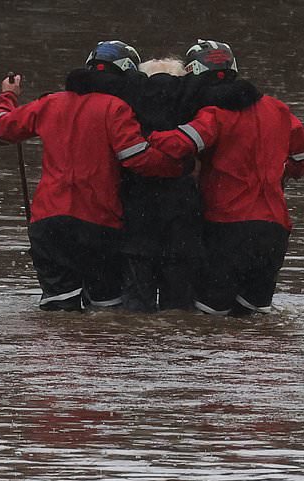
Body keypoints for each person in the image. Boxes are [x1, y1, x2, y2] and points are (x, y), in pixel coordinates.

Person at [0, 40, 187, 311]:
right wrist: (177, 167)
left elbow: (0, 131)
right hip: (98, 222)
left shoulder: (49, 103)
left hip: (48, 223)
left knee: (59, 310)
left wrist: (8, 96)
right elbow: (136, 158)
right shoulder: (115, 108)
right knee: (106, 310)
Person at [149, 39, 304, 316]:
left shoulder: (215, 114)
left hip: (228, 227)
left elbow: (177, 144)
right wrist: (284, 176)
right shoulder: (277, 109)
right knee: (254, 317)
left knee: (210, 318)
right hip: (274, 229)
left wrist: (145, 136)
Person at [117, 57, 204, 312]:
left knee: (136, 299)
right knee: (178, 301)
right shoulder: (194, 112)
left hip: (137, 211)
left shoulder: (129, 111)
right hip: (182, 213)